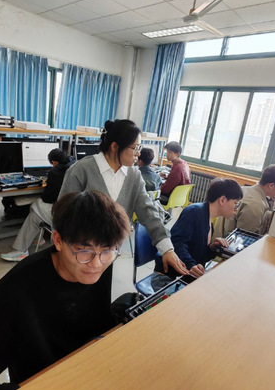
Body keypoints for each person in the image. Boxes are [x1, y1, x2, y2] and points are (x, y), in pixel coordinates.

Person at [0, 191, 131, 390]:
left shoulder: (99, 260)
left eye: (107, 251)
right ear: (58, 240)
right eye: (84, 251)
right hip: (45, 387)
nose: (96, 264)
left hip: (90, 373)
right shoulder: (17, 289)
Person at [59, 119, 189, 277]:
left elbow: (148, 212)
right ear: (114, 146)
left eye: (139, 148)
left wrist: (167, 249)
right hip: (79, 256)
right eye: (135, 148)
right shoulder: (81, 170)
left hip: (109, 254)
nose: (138, 153)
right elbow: (62, 215)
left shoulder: (134, 175)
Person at [151, 178, 243, 291]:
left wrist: (212, 248)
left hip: (183, 276)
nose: (236, 209)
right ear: (222, 200)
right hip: (167, 279)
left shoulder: (209, 219)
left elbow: (199, 255)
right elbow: (176, 243)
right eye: (235, 204)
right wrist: (191, 265)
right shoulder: (194, 212)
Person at [1, 148, 75, 261]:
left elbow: (47, 198)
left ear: (54, 163)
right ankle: (36, 239)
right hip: (74, 211)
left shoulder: (55, 172)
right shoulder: (74, 164)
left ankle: (21, 250)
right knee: (35, 214)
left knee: (35, 205)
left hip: (64, 214)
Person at [215, 164, 275, 238]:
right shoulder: (256, 205)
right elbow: (244, 239)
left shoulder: (244, 189)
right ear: (271, 185)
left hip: (218, 235)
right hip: (225, 244)